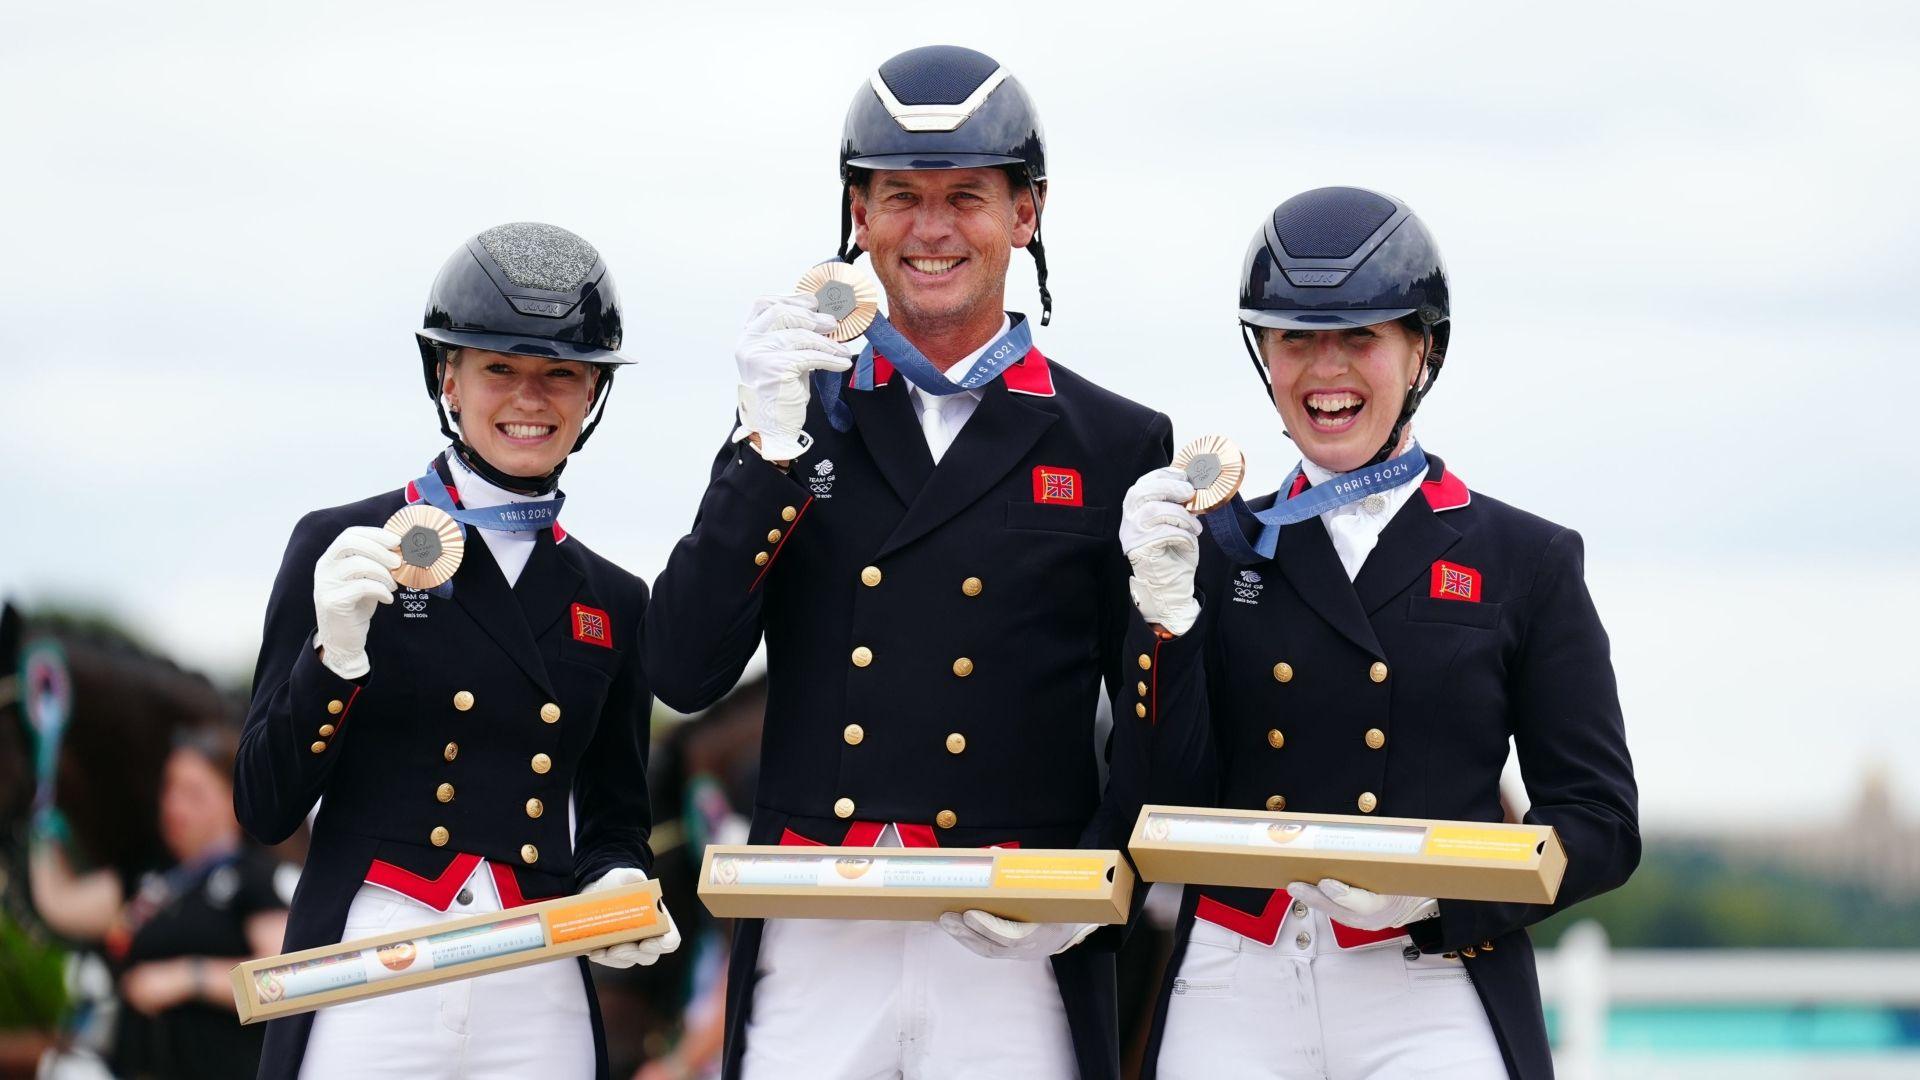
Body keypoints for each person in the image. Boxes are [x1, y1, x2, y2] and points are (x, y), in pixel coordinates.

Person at [644, 44, 1176, 1080]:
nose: (931, 230)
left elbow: (1154, 718)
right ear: (858, 213)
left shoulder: (1114, 442)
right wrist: (765, 453)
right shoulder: (795, 414)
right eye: (900, 197)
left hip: (1015, 932)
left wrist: (1094, 880)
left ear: (1027, 213)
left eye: (966, 197)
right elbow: (683, 666)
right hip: (815, 924)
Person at [1119, 187, 1639, 1079]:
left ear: (1420, 349)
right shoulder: (1213, 545)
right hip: (1233, 978)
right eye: (1295, 338)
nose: (1327, 370)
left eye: (1360, 337)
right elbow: (1158, 792)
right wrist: (1162, 616)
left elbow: (1599, 822)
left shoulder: (1525, 558)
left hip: (1431, 977)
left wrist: (1438, 898)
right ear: (1264, 354)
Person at [234, 222, 679, 1080]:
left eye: (561, 373)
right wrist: (331, 657)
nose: (531, 397)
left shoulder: (613, 600)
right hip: (374, 958)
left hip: (534, 970)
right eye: (500, 369)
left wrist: (621, 877)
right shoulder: (343, 542)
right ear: (449, 376)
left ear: (592, 395)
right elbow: (263, 806)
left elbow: (615, 813)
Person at [30, 727, 292, 1080]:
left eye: (193, 793)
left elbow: (282, 983)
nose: (174, 806)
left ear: (233, 800)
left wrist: (189, 976)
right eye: (170, 788)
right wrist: (42, 829)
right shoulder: (147, 876)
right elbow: (59, 906)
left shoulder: (254, 878)